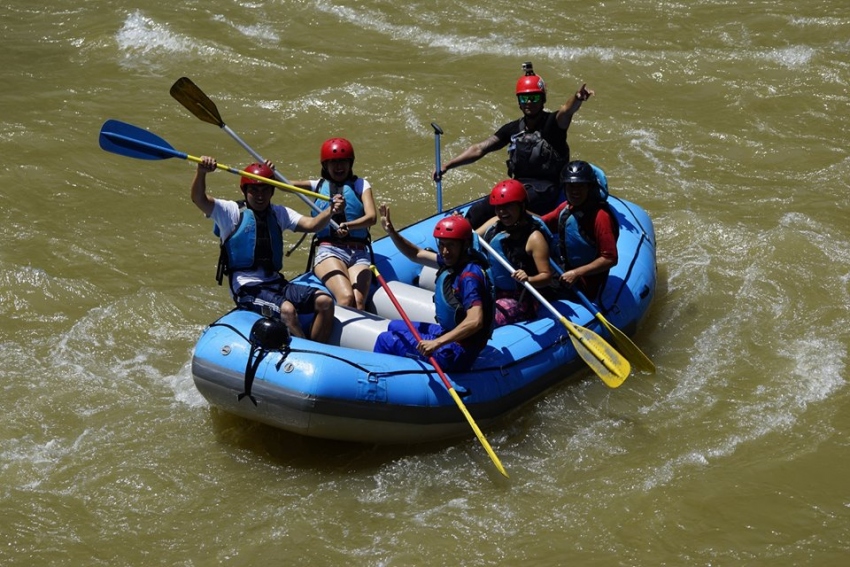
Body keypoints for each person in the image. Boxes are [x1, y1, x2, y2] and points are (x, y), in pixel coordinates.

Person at [191, 157, 345, 343]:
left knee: (325, 302)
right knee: (287, 311)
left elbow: (312, 225)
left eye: (265, 190)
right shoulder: (230, 212)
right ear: (245, 190)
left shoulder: (279, 213)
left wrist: (331, 210)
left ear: (272, 191)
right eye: (254, 190)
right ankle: (308, 350)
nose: (260, 195)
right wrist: (201, 172)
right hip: (247, 288)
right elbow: (199, 198)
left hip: (276, 282)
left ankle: (318, 347)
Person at [434, 61, 595, 228]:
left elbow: (566, 110)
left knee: (511, 206)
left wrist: (577, 98)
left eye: (534, 97)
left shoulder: (553, 125)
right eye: (524, 98)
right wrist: (447, 165)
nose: (529, 102)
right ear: (519, 102)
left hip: (547, 190)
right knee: (479, 210)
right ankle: (462, 235)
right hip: (519, 187)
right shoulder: (513, 129)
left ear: (543, 100)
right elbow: (480, 148)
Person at [373, 207, 494, 372]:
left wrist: (436, 343)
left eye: (450, 245)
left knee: (386, 340)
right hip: (451, 334)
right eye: (442, 245)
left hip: (458, 352)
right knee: (394, 326)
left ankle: (382, 378)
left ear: (465, 244)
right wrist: (391, 232)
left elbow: (475, 321)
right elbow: (415, 254)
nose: (445, 251)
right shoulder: (456, 260)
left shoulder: (469, 277)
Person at [289, 138, 377, 310]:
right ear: (325, 165)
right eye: (334, 162)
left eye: (343, 162)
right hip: (329, 250)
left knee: (359, 302)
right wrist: (271, 173)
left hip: (358, 253)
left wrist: (349, 226)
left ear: (350, 163)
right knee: (346, 298)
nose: (339, 167)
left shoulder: (361, 185)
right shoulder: (317, 185)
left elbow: (372, 217)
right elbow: (286, 185)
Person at [478, 180, 554, 327]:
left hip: (522, 297)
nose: (502, 212)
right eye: (499, 207)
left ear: (522, 206)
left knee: (484, 319)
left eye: (508, 206)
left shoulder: (534, 238)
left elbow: (547, 277)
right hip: (496, 289)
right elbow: (471, 236)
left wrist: (528, 278)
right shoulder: (495, 223)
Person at [539, 161, 618, 299]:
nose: (575, 191)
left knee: (536, 286)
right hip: (565, 268)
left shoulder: (601, 217)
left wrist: (577, 273)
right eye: (571, 186)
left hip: (583, 282)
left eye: (580, 186)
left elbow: (610, 258)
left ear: (589, 188)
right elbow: (540, 224)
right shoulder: (566, 208)